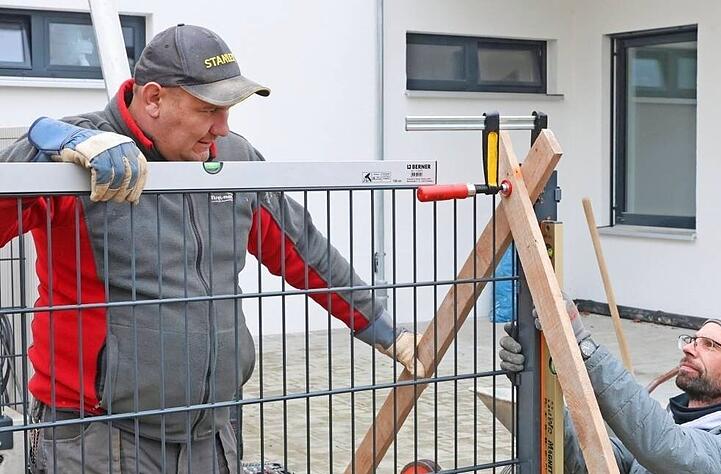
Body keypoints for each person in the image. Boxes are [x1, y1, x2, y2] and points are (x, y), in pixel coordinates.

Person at [0, 24, 423, 473]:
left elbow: (304, 252)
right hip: (101, 438)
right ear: (154, 99)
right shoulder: (77, 158)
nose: (221, 128)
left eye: (228, 111)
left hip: (211, 434)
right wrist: (35, 155)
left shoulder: (233, 162)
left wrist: (384, 329)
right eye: (207, 110)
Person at [499, 298, 721, 473]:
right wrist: (534, 384)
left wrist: (582, 348)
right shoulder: (675, 420)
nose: (690, 348)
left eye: (711, 345)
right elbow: (596, 462)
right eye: (693, 339)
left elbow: (667, 448)